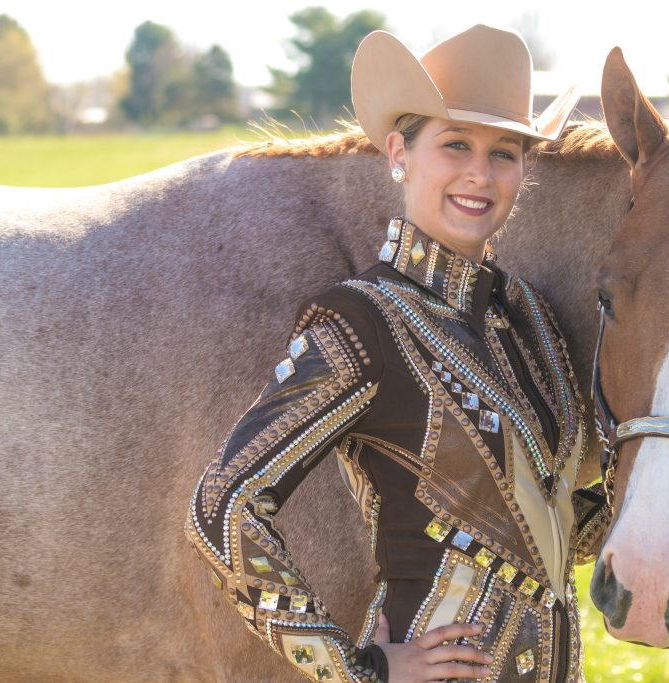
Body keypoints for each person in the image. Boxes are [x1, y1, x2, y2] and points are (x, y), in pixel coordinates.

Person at [185, 24, 609, 682]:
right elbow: (222, 508)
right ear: (398, 152)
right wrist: (357, 668)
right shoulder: (362, 320)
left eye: (506, 152)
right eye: (456, 144)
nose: (480, 172)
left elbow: (542, 529)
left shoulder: (529, 321)